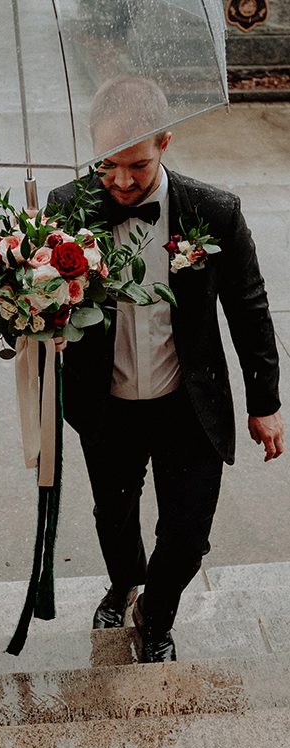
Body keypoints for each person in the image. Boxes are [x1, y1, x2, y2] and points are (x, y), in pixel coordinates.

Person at [48, 76, 284, 662]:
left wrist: (265, 402)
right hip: (106, 404)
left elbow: (249, 306)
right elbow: (45, 304)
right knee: (115, 516)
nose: (122, 181)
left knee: (187, 533)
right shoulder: (64, 208)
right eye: (108, 165)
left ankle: (157, 613)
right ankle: (125, 581)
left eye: (137, 164)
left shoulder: (214, 211)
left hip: (188, 403)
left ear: (165, 144)